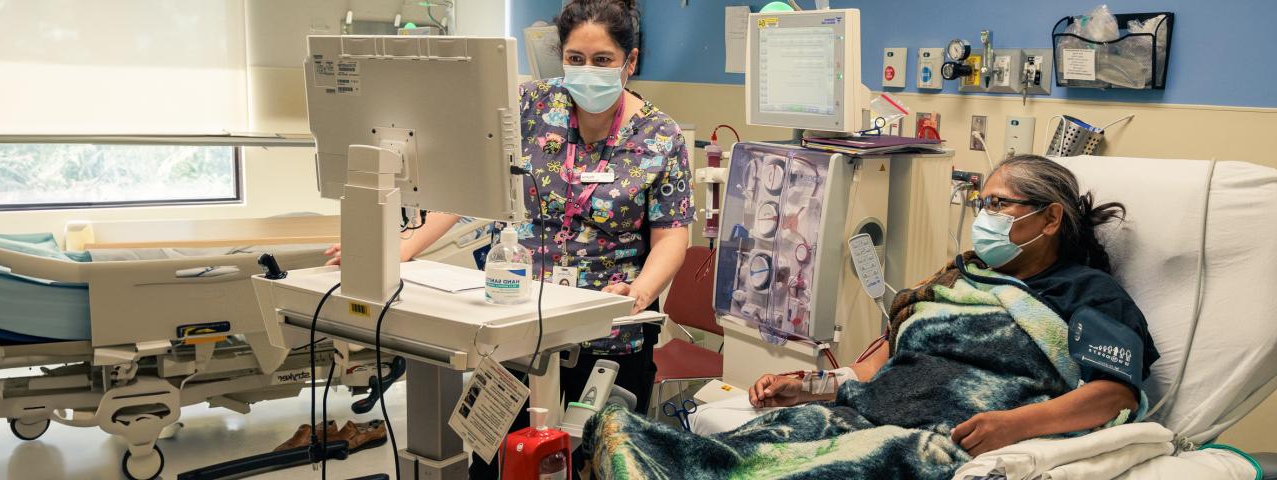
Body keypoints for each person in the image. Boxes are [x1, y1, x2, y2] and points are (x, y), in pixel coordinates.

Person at [325, 0, 692, 476]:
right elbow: (470, 186)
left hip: (608, 331)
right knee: (494, 463)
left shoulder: (661, 137)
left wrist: (638, 293)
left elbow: (671, 237)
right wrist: (402, 246)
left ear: (631, 62)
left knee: (598, 468)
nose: (586, 71)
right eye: (575, 59)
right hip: (516, 328)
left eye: (602, 60)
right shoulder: (531, 107)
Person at [746, 154, 1158, 456]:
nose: (984, 216)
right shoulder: (957, 279)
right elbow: (871, 372)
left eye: (997, 204)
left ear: (1050, 219)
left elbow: (1115, 393)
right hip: (866, 417)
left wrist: (1015, 425)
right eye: (982, 204)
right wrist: (806, 388)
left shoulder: (1090, 293)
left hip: (937, 441)